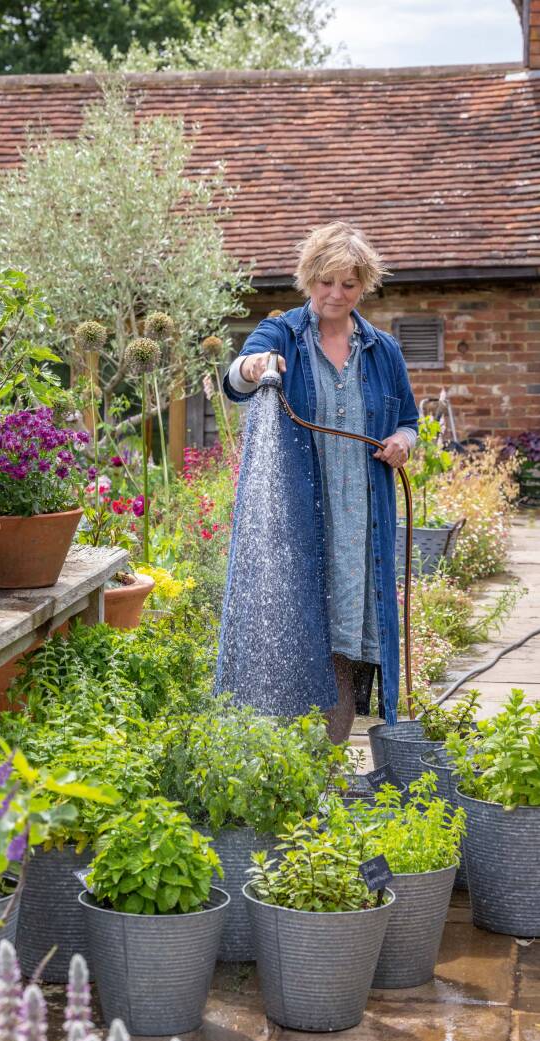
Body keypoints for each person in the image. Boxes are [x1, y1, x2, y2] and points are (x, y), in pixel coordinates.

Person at [222, 221, 419, 742]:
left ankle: (324, 765)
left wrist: (403, 442)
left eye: (349, 284)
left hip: (361, 521)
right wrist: (256, 366)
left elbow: (410, 422)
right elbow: (235, 379)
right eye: (326, 281)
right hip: (299, 517)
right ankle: (280, 751)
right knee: (293, 629)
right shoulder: (282, 333)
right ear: (309, 278)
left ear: (363, 287)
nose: (336, 294)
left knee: (343, 644)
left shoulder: (383, 351)